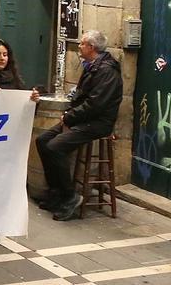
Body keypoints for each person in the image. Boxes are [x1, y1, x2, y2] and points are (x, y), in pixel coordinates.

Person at [35, 30, 123, 221]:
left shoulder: (106, 70)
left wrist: (69, 118)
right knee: (42, 141)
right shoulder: (93, 66)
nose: (79, 47)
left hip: (97, 123)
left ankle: (70, 196)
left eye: (82, 44)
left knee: (55, 147)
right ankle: (56, 191)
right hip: (82, 119)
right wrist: (69, 115)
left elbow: (95, 104)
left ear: (91, 47)